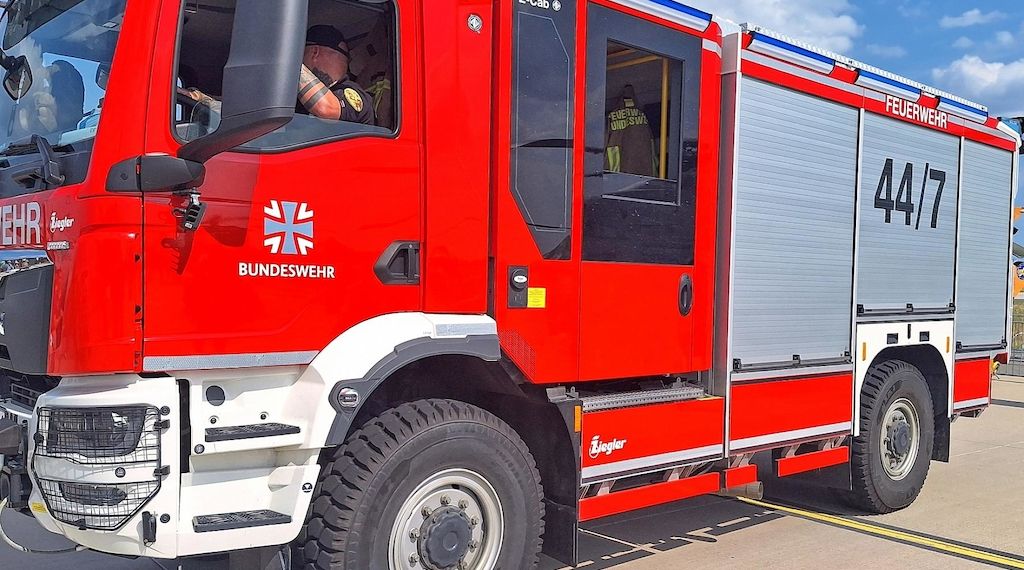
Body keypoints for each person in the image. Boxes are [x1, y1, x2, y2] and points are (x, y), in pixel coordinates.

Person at [179, 25, 374, 126]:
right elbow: (250, 111)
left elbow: (326, 109)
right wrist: (199, 98)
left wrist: (286, 55)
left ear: (314, 52)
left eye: (300, 53)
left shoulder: (353, 94)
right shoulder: (295, 101)